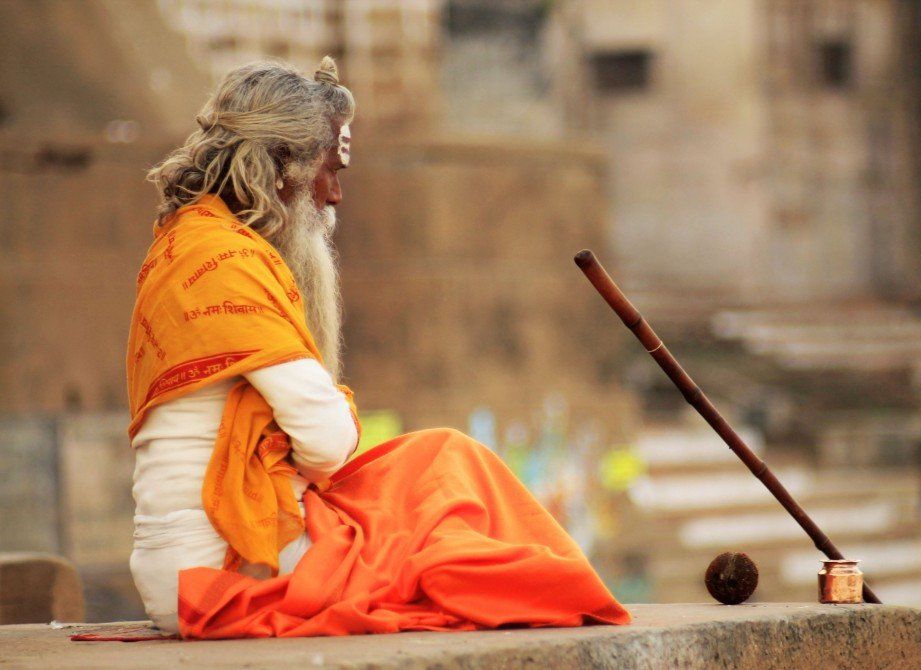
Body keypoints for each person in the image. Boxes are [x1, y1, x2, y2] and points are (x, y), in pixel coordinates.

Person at [126, 57, 629, 639]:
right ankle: (562, 584)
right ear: (284, 167)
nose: (335, 196)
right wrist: (331, 416)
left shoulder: (182, 246)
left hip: (181, 571)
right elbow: (328, 442)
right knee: (445, 463)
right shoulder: (227, 263)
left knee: (428, 483)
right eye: (330, 170)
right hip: (230, 569)